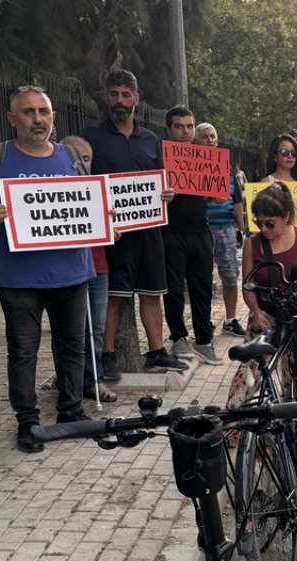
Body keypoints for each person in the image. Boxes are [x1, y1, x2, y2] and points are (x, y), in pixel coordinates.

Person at [0, 86, 99, 453]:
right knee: (23, 350)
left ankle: (71, 413)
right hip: (18, 278)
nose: (38, 119)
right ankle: (28, 423)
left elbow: (88, 204)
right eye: (28, 112)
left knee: (73, 347)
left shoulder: (71, 157)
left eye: (44, 112)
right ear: (12, 119)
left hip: (71, 273)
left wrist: (103, 215)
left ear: (53, 117)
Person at [80, 70, 185, 378]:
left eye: (126, 95)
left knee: (153, 292)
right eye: (114, 94)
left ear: (137, 99)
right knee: (114, 295)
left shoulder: (151, 139)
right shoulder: (92, 137)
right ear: (105, 97)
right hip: (114, 233)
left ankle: (156, 352)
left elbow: (162, 181)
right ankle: (108, 356)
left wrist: (167, 193)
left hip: (150, 230)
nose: (119, 101)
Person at [224, 182, 297, 410]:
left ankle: (291, 434)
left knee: (293, 379)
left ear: (287, 216)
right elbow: (248, 284)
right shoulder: (253, 244)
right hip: (264, 317)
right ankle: (230, 430)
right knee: (248, 375)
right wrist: (255, 311)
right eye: (258, 222)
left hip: (295, 321)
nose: (264, 229)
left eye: (270, 223)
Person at [60, 135, 116, 403]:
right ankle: (68, 381)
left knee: (95, 328)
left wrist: (113, 230)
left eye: (85, 158)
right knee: (69, 331)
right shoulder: (51, 194)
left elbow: (115, 234)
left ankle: (94, 380)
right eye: (74, 157)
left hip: (97, 269)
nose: (80, 163)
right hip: (66, 271)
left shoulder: (101, 191)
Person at [161, 107, 220, 364]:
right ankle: (178, 337)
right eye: (179, 126)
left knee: (202, 288)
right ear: (169, 130)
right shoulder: (159, 157)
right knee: (173, 290)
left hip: (201, 231)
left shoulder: (206, 157)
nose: (185, 132)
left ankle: (204, 339)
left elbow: (217, 196)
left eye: (189, 126)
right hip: (171, 232)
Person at [196, 123, 248, 338]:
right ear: (196, 142)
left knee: (230, 275)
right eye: (205, 137)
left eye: (213, 136)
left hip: (226, 229)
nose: (210, 140)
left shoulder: (227, 170)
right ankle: (204, 319)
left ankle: (230, 319)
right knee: (202, 277)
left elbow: (237, 203)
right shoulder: (191, 168)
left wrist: (241, 230)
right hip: (202, 230)